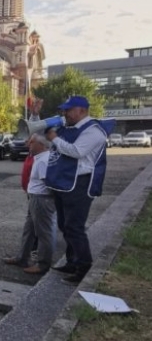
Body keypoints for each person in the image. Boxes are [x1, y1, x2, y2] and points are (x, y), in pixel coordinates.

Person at [45, 96, 109, 284]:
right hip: (65, 182)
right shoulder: (71, 128)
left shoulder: (94, 131)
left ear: (81, 110)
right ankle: (72, 261)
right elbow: (47, 140)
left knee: (75, 227)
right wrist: (35, 117)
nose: (65, 114)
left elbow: (76, 151)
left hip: (80, 184)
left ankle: (84, 266)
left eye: (68, 110)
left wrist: (55, 138)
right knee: (65, 225)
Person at [4, 134, 56, 274]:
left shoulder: (44, 160)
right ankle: (22, 257)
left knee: (44, 233)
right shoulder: (38, 158)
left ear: (42, 145)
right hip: (35, 198)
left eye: (32, 142)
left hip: (41, 199)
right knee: (29, 230)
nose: (28, 144)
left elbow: (50, 184)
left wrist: (46, 201)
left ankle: (43, 264)